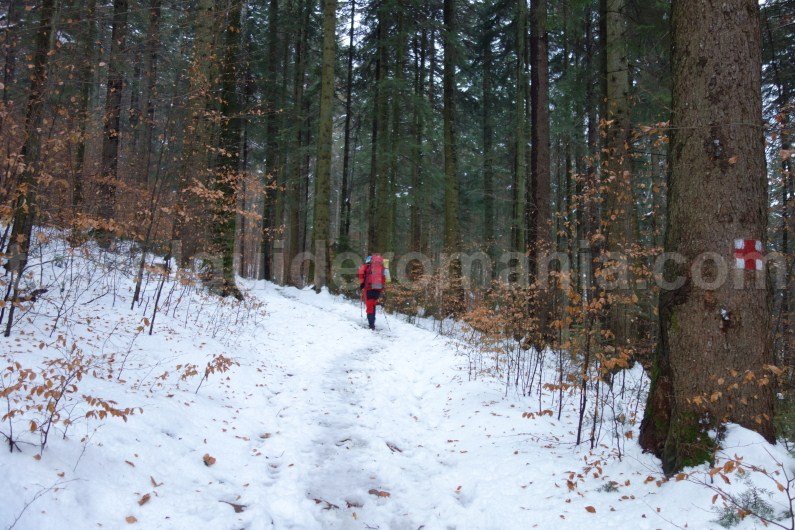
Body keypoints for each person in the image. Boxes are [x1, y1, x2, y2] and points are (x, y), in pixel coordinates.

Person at [358, 254, 386, 330]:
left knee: (370, 306)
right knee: (373, 305)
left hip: (369, 288)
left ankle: (371, 325)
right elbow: (386, 277)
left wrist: (362, 284)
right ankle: (372, 322)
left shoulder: (366, 266)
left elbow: (360, 272)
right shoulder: (381, 268)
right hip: (378, 289)